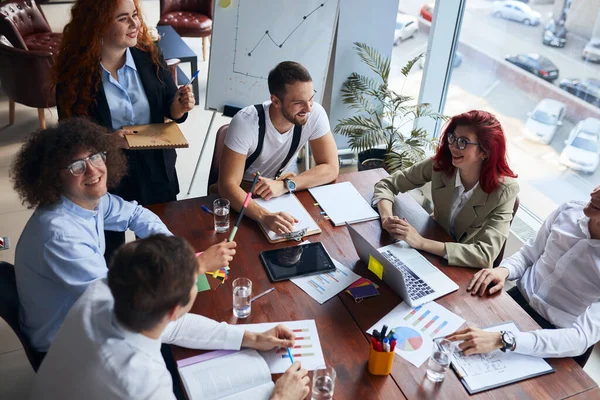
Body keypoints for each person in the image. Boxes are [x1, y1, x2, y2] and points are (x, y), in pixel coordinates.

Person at [10, 118, 235, 355]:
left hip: (94, 309)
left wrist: (174, 250)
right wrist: (194, 266)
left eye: (96, 156)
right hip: (66, 345)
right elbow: (130, 311)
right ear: (54, 177)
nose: (93, 170)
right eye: (77, 166)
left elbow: (136, 215)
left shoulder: (86, 200)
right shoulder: (59, 236)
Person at [29, 235, 310, 400]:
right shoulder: (143, 382)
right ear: (175, 309)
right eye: (196, 282)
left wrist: (250, 337)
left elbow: (170, 327)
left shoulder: (103, 291)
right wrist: (280, 398)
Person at [53, 0, 195, 258]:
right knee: (110, 253)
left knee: (160, 250)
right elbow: (70, 138)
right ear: (98, 25)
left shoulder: (148, 53)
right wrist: (109, 141)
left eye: (134, 15)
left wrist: (180, 106)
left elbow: (169, 104)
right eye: (123, 18)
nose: (134, 24)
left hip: (155, 168)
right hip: (105, 174)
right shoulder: (74, 75)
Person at [447, 187, 600, 364]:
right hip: (515, 302)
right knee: (450, 341)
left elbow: (579, 338)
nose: (595, 193)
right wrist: (503, 271)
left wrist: (504, 340)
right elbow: (528, 255)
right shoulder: (568, 211)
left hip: (556, 338)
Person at [372, 110, 519, 268]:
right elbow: (387, 184)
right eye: (452, 138)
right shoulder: (441, 166)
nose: (453, 147)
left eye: (463, 142)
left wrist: (421, 242)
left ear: (484, 151)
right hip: (431, 249)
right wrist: (386, 218)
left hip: (464, 269)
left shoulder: (504, 190)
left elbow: (484, 255)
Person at [217, 61, 339, 236]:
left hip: (276, 193)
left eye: (311, 98)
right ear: (275, 100)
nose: (308, 108)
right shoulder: (246, 122)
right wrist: (265, 216)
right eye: (299, 103)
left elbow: (331, 168)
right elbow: (227, 186)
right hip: (243, 198)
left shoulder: (315, 114)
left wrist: (285, 185)